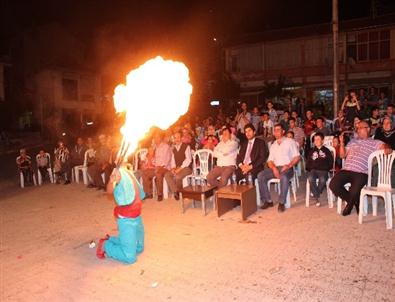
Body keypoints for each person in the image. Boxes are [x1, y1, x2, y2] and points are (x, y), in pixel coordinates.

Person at [329, 121, 392, 216]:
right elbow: (342, 155)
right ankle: (354, 202)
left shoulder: (375, 142)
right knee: (333, 184)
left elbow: (385, 146)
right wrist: (341, 143)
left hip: (361, 172)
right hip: (347, 169)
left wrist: (387, 148)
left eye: (360, 128)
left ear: (368, 129)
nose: (357, 130)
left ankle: (351, 203)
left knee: (354, 191)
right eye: (357, 128)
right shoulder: (353, 141)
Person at [96, 165, 145, 264]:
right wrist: (111, 180)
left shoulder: (127, 170)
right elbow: (109, 191)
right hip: (127, 218)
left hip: (137, 215)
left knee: (139, 247)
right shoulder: (118, 173)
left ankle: (112, 239)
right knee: (130, 257)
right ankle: (105, 245)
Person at [257, 124, 300, 212]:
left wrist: (288, 165)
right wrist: (274, 168)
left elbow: (297, 157)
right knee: (261, 175)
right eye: (275, 130)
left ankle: (281, 202)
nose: (276, 132)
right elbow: (269, 161)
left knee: (284, 177)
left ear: (283, 131)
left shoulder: (290, 141)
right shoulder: (273, 145)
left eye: (278, 130)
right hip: (276, 168)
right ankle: (268, 201)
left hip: (287, 168)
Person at [142, 132, 172, 201]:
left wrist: (160, 166)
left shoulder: (165, 146)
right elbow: (149, 156)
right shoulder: (154, 147)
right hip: (155, 167)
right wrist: (145, 161)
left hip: (164, 167)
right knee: (145, 173)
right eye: (155, 138)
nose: (156, 139)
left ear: (161, 138)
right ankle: (148, 193)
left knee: (158, 172)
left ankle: (160, 194)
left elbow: (167, 160)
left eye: (157, 137)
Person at [306, 133, 334, 206]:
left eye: (318, 139)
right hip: (313, 170)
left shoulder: (326, 151)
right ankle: (317, 196)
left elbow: (331, 162)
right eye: (315, 140)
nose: (316, 141)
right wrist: (310, 168)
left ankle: (316, 194)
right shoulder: (311, 151)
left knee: (323, 180)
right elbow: (308, 161)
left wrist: (327, 168)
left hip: (323, 170)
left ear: (322, 141)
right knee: (310, 178)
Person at [164, 131, 193, 200]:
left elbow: (188, 160)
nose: (177, 139)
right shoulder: (173, 148)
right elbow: (173, 160)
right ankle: (176, 191)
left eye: (178, 137)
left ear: (181, 138)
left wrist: (179, 169)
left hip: (186, 168)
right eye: (175, 138)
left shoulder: (186, 146)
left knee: (178, 176)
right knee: (167, 175)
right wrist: (173, 168)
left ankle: (180, 191)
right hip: (177, 168)